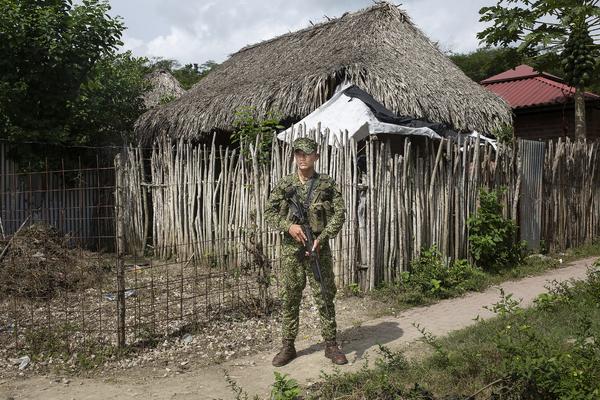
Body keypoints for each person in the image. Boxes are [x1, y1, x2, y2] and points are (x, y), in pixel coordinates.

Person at [264, 137, 348, 366]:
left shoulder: (327, 183)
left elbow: (340, 213)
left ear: (316, 157)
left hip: (318, 247)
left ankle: (331, 345)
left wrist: (323, 237)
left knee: (324, 294)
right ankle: (288, 346)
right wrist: (288, 227)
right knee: (290, 297)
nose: (302, 158)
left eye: (307, 153)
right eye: (298, 153)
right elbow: (269, 213)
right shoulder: (284, 185)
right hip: (292, 251)